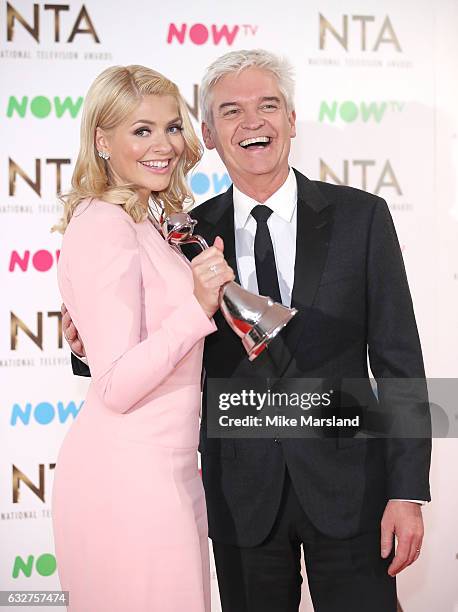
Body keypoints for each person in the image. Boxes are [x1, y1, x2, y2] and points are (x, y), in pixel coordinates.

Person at [65, 50, 431, 612]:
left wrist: (406, 490)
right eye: (231, 111)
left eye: (269, 106)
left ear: (290, 119)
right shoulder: (180, 232)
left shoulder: (363, 217)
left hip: (350, 491)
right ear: (207, 134)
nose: (253, 122)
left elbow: (399, 361)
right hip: (239, 498)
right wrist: (84, 345)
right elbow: (146, 336)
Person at [52, 64, 234, 612]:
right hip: (128, 482)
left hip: (166, 471)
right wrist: (199, 307)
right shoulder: (103, 223)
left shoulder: (145, 219)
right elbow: (115, 386)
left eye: (172, 127)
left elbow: (126, 343)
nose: (165, 145)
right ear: (102, 140)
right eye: (142, 130)